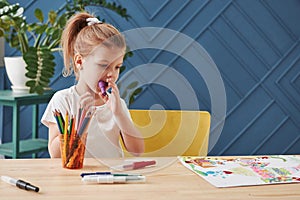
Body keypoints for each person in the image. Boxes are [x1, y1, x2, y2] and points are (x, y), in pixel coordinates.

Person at [41, 12, 144, 158]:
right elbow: (56, 155)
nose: (111, 74)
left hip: (112, 177)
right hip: (74, 178)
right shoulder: (63, 100)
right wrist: (80, 122)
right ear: (79, 61)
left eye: (117, 67)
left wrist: (119, 114)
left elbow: (137, 151)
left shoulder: (117, 104)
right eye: (103, 65)